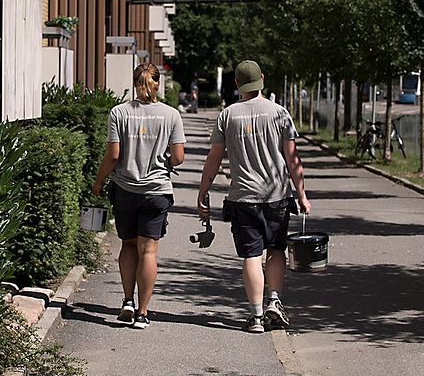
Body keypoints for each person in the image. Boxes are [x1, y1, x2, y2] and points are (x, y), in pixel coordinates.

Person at [197, 60, 311, 333]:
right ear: (262, 78)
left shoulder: (228, 116)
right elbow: (292, 159)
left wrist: (204, 190)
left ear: (236, 84)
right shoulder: (279, 113)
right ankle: (274, 300)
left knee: (250, 255)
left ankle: (256, 316)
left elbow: (214, 158)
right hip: (276, 197)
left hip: (243, 198)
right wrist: (302, 195)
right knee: (275, 249)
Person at [93, 63, 186, 329]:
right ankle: (143, 314)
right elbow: (178, 157)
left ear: (135, 82)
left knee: (128, 245)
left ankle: (127, 301)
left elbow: (113, 155)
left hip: (125, 189)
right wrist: (164, 161)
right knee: (149, 252)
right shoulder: (171, 115)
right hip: (156, 192)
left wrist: (98, 182)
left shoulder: (119, 113)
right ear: (158, 83)